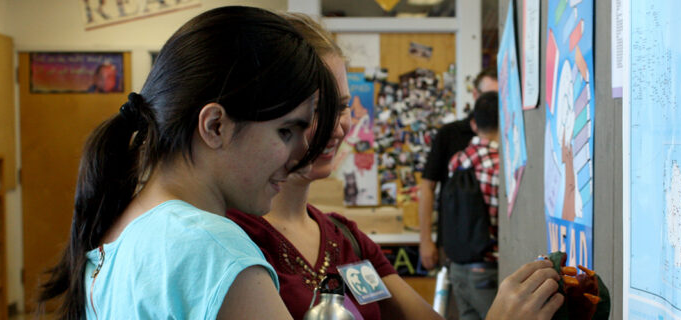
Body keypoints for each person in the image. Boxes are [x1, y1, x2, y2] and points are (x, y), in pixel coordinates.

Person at [228, 14, 562, 320]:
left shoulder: (346, 239)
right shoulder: (230, 241)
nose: (337, 127)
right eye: (316, 110)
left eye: (342, 107)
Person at [37, 7, 343, 319]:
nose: (301, 153)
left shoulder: (120, 224)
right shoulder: (214, 250)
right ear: (215, 126)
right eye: (285, 131)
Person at [419, 68, 498, 271]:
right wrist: (426, 240)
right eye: (488, 95)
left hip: (495, 251)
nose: (494, 102)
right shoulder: (450, 134)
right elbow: (427, 187)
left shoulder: (512, 135)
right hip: (454, 243)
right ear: (475, 95)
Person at [442, 92, 501, 320]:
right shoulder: (499, 162)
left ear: (474, 123)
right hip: (488, 266)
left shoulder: (458, 160)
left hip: (458, 267)